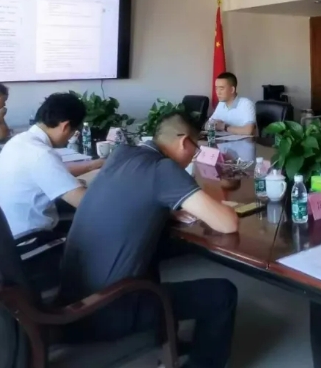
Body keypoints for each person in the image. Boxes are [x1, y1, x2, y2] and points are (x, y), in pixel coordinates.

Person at [59, 111, 239, 368]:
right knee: (223, 293)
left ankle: (165, 337)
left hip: (73, 299)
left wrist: (169, 209)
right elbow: (227, 224)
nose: (194, 156)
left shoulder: (121, 154)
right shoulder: (163, 169)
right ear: (184, 142)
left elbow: (130, 198)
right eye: (196, 149)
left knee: (155, 248)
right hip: (105, 310)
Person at [0, 92, 102, 237]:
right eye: (74, 132)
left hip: (1, 233)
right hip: (29, 240)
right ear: (65, 126)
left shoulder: (20, 140)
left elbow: (56, 172)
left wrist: (93, 165)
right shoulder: (41, 154)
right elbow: (87, 205)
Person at [208, 72, 256, 136]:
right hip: (224, 141)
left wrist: (225, 127)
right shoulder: (221, 104)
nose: (218, 92)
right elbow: (208, 124)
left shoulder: (246, 104)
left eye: (221, 89)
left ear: (232, 90)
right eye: (216, 88)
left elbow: (249, 131)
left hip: (242, 142)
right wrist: (212, 124)